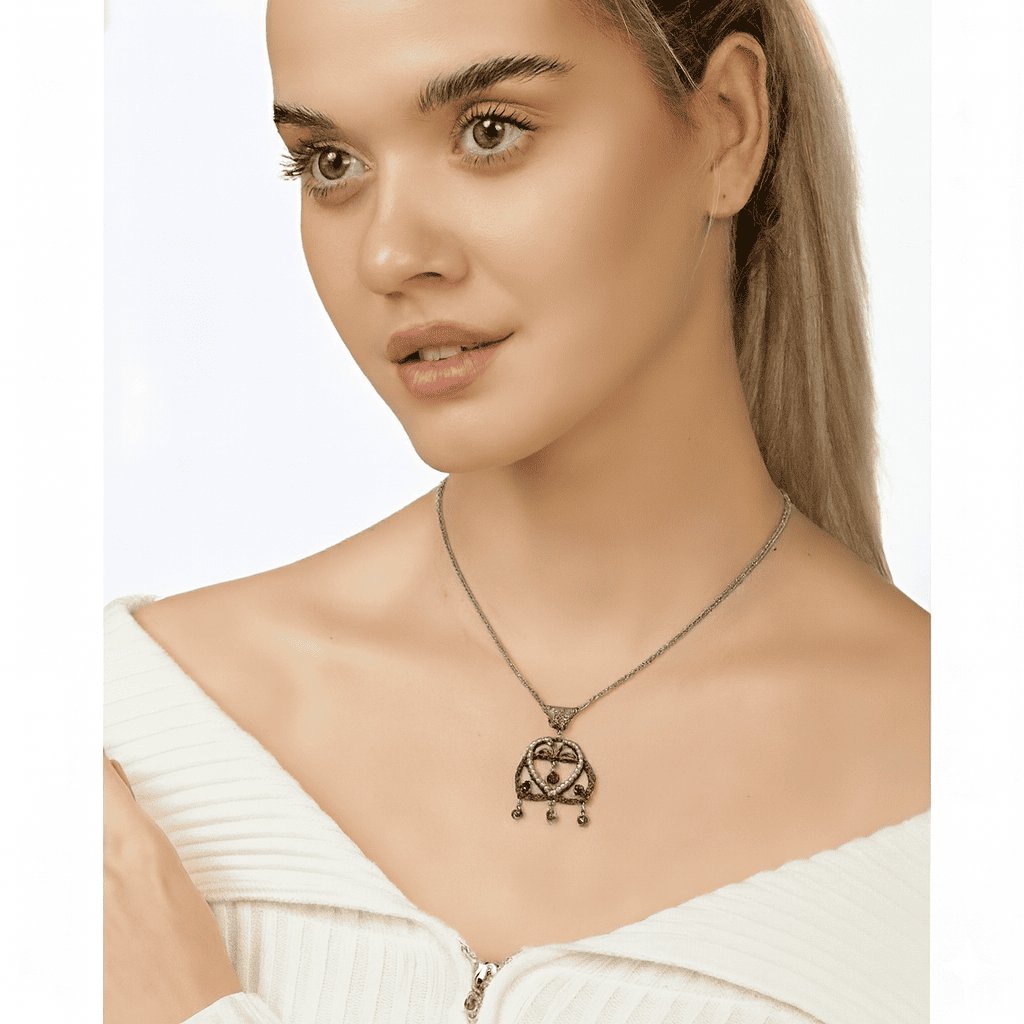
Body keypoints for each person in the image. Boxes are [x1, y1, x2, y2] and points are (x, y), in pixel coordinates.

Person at [103, 0, 930, 1021]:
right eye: (331, 163)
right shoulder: (114, 740)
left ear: (727, 125)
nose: (389, 255)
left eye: (489, 132)